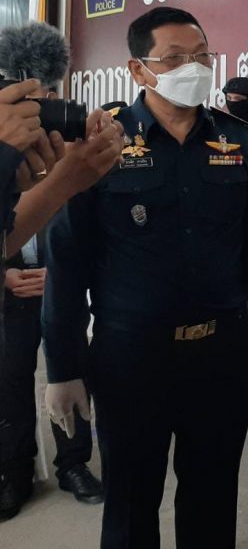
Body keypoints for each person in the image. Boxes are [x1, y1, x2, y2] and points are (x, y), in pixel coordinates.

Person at [42, 6, 248, 549]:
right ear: (138, 69)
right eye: (174, 58)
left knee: (212, 499)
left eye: (202, 56)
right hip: (131, 359)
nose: (192, 67)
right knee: (130, 505)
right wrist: (62, 368)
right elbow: (66, 260)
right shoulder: (101, 142)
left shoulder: (237, 139)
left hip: (219, 355)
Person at [0, 85, 103, 515]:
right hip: (13, 293)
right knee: (11, 383)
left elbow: (82, 235)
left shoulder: (68, 157)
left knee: (69, 371)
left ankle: (73, 464)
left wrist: (62, 274)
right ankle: (15, 470)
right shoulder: (10, 153)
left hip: (59, 290)